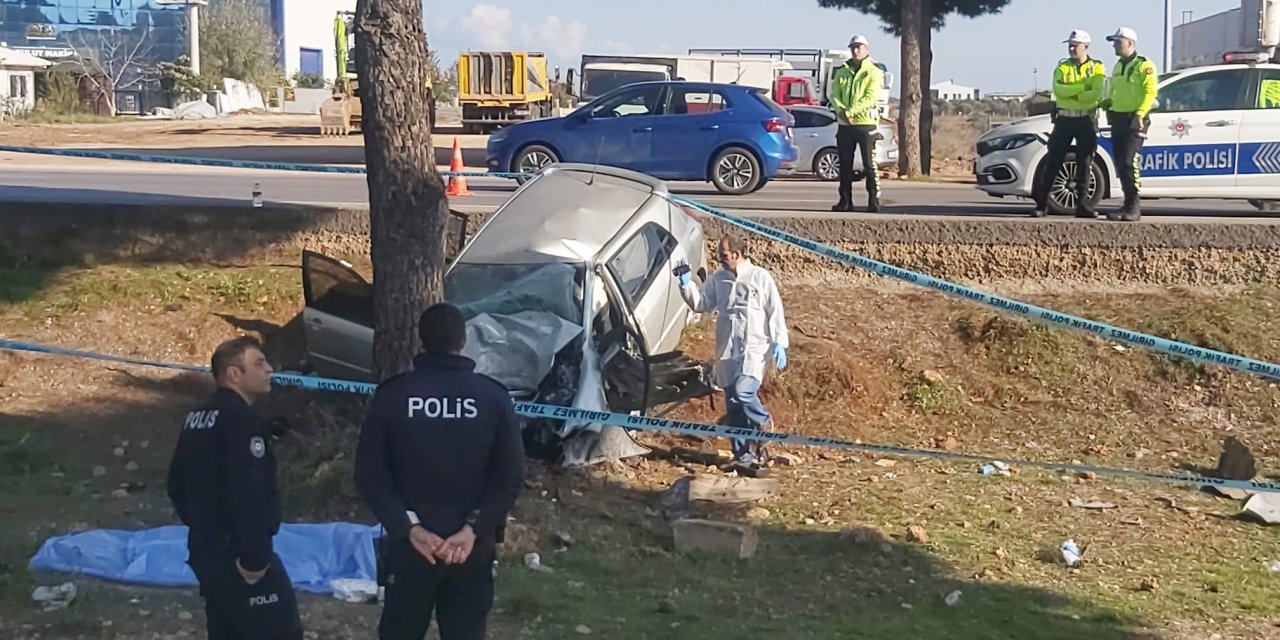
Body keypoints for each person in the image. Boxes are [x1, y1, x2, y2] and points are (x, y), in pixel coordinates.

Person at [355, 302, 525, 640]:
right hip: (471, 548)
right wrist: (474, 528)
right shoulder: (492, 397)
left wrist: (409, 528)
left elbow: (369, 473)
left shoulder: (393, 395)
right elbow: (511, 475)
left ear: (421, 340)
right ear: (463, 340)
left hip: (411, 547)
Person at [166, 336, 303, 640]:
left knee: (227, 629)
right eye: (259, 363)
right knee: (280, 629)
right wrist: (255, 557)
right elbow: (250, 491)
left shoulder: (196, 418)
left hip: (205, 547)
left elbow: (176, 484)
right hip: (239, 554)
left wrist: (203, 525)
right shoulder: (242, 422)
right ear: (234, 374)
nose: (269, 369)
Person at [674, 235, 788, 471]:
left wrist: (779, 342)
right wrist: (686, 284)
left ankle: (764, 422)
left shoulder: (760, 277)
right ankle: (743, 455)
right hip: (728, 348)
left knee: (744, 390)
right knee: (733, 404)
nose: (720, 260)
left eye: (724, 255)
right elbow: (701, 303)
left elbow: (774, 310)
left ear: (736, 254)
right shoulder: (719, 279)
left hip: (755, 347)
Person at [1030, 29, 1107, 218]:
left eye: (1075, 45)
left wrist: (1073, 92)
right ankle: (1042, 204)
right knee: (1053, 161)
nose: (1072, 49)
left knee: (1085, 162)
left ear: (1086, 47)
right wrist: (1083, 89)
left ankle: (1082, 206)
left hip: (1086, 120)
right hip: (1064, 119)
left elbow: (1096, 92)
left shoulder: (1097, 67)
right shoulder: (1062, 67)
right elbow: (1059, 90)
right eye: (1070, 45)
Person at [1101, 26, 1158, 222]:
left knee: (1129, 161)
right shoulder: (1118, 66)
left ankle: (1134, 205)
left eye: (1118, 42)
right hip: (1118, 117)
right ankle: (1126, 204)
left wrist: (1140, 114)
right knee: (1119, 163)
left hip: (1135, 119)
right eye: (1114, 42)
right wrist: (1109, 105)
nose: (1115, 46)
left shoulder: (1144, 65)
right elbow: (1116, 90)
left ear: (1130, 43)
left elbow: (1150, 92)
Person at [829, 34, 886, 213]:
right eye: (853, 47)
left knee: (870, 164)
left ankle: (873, 200)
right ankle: (845, 201)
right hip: (845, 125)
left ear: (866, 49)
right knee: (844, 164)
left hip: (865, 123)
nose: (855, 50)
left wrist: (851, 111)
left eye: (859, 47)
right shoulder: (842, 71)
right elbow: (834, 95)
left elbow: (871, 97)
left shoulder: (874, 71)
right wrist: (842, 112)